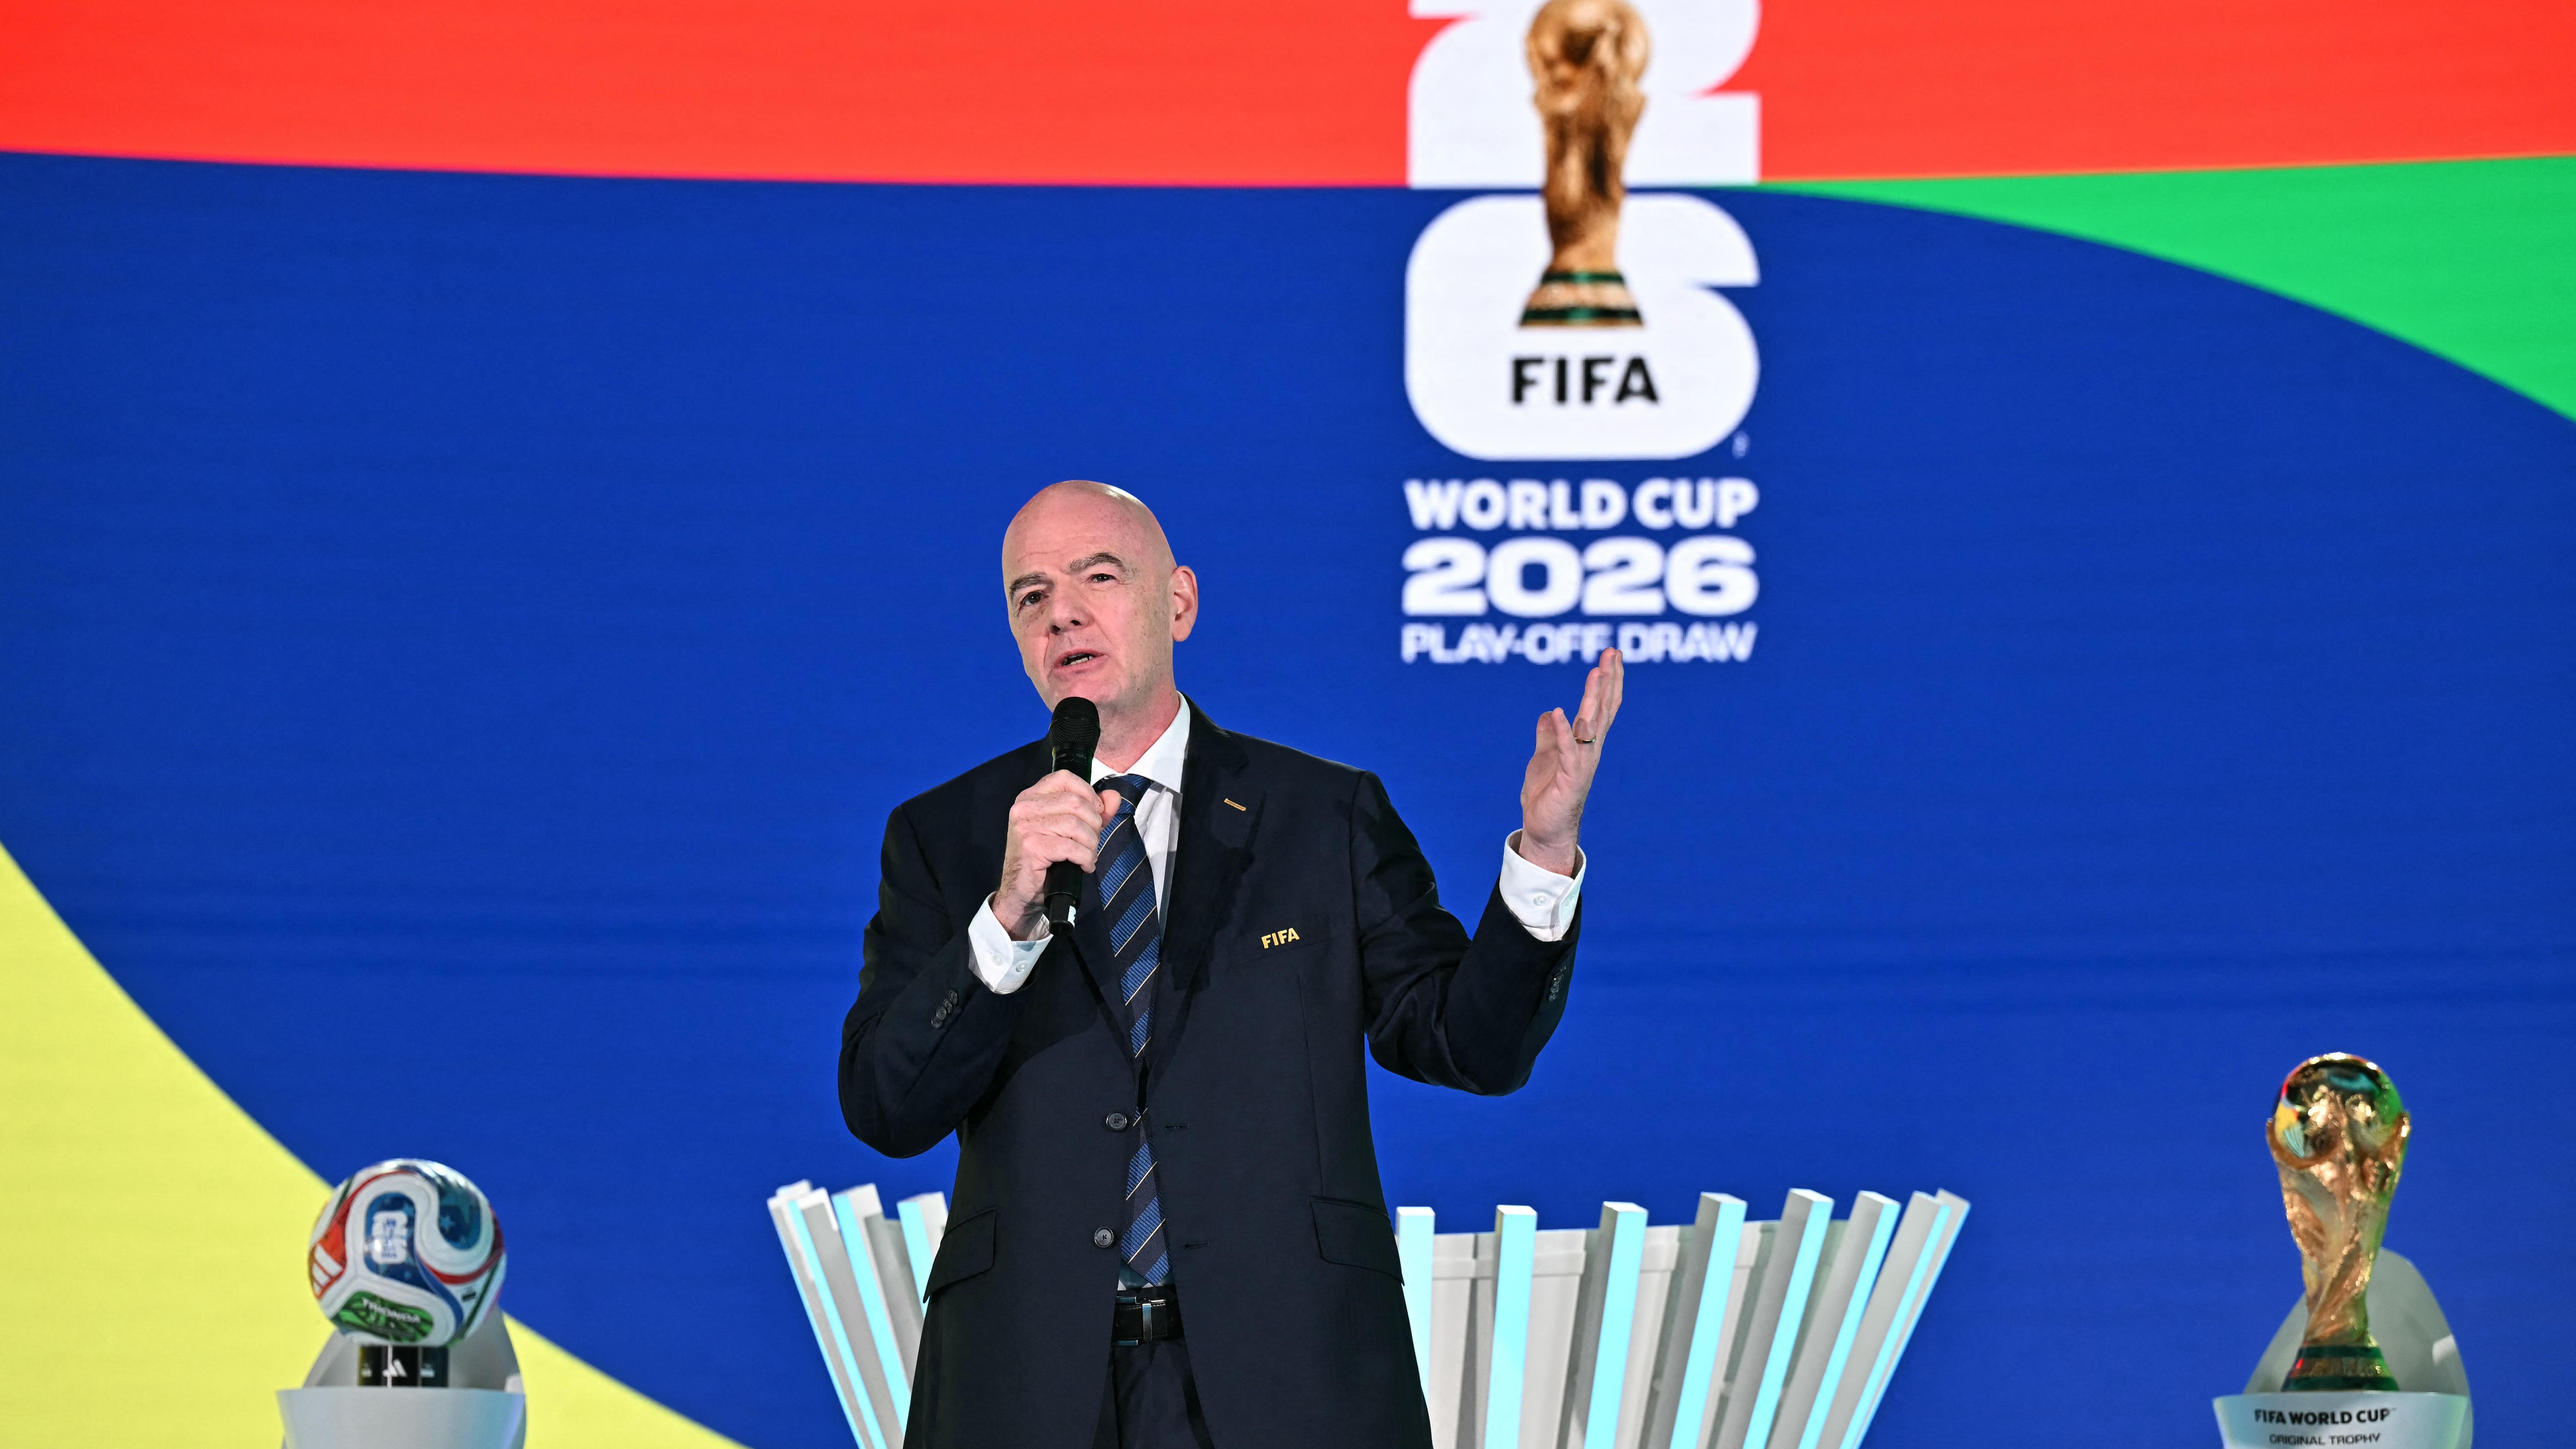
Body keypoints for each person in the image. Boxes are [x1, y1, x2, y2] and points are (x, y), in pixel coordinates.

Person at [839, 481, 1623, 1448]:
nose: (1062, 613)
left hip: (1291, 1379)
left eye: (1097, 577)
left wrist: (1543, 853)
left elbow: (1471, 1047)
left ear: (1178, 603)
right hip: (1025, 1388)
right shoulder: (947, 837)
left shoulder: (1322, 816)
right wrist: (1007, 918)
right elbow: (885, 1107)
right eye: (1030, 596)